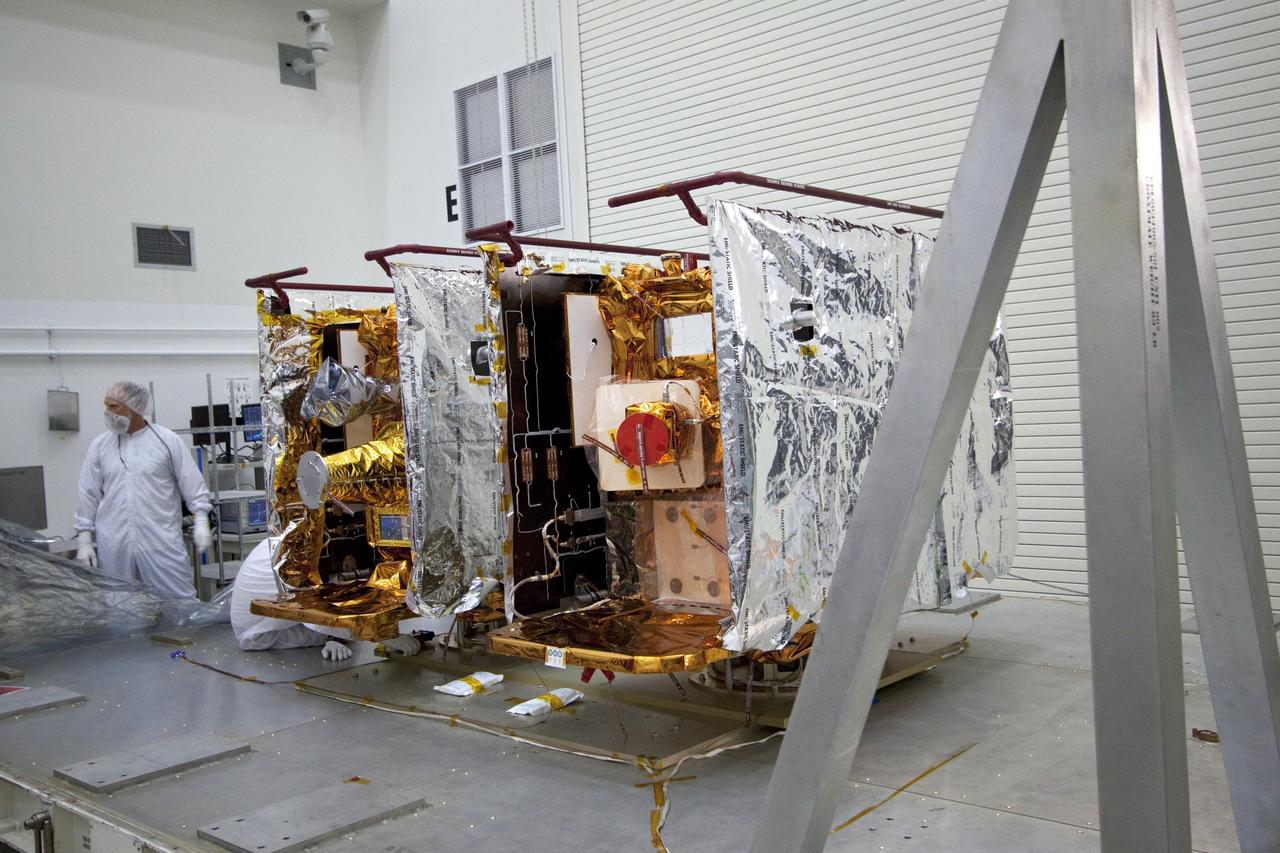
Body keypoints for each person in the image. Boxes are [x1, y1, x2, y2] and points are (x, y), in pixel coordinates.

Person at [74, 381, 213, 599]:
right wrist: (84, 538)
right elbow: (88, 491)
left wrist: (202, 519)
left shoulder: (166, 441)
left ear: (134, 408)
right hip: (114, 543)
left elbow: (192, 483)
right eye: (106, 406)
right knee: (120, 606)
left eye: (114, 407)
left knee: (178, 603)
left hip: (160, 540)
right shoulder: (100, 446)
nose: (107, 413)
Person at [231, 536, 421, 660]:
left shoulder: (302, 539)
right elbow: (308, 610)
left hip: (284, 618)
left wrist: (333, 636)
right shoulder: (294, 556)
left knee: (348, 637)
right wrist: (384, 636)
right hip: (258, 632)